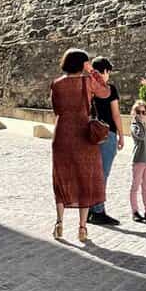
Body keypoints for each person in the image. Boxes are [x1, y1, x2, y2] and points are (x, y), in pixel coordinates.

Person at [50, 49, 111, 243]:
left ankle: (59, 222)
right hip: (83, 135)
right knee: (85, 179)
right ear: (82, 64)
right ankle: (82, 228)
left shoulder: (56, 84)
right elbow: (106, 92)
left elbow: (56, 109)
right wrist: (93, 72)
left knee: (62, 178)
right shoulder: (87, 82)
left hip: (62, 135)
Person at [88, 56, 124, 227]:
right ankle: (98, 211)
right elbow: (116, 114)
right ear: (105, 71)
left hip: (89, 135)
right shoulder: (110, 89)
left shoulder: (88, 88)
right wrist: (121, 135)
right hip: (106, 134)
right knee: (103, 173)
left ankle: (90, 209)